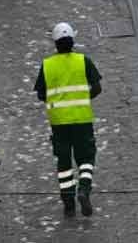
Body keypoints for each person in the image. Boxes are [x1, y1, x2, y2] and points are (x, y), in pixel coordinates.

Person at [34, 22, 103, 218]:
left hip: (58, 123)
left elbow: (41, 94)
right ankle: (84, 189)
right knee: (86, 158)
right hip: (82, 119)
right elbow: (97, 88)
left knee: (64, 163)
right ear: (73, 41)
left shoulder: (47, 66)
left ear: (55, 44)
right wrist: (82, 99)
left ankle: (69, 204)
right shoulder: (83, 61)